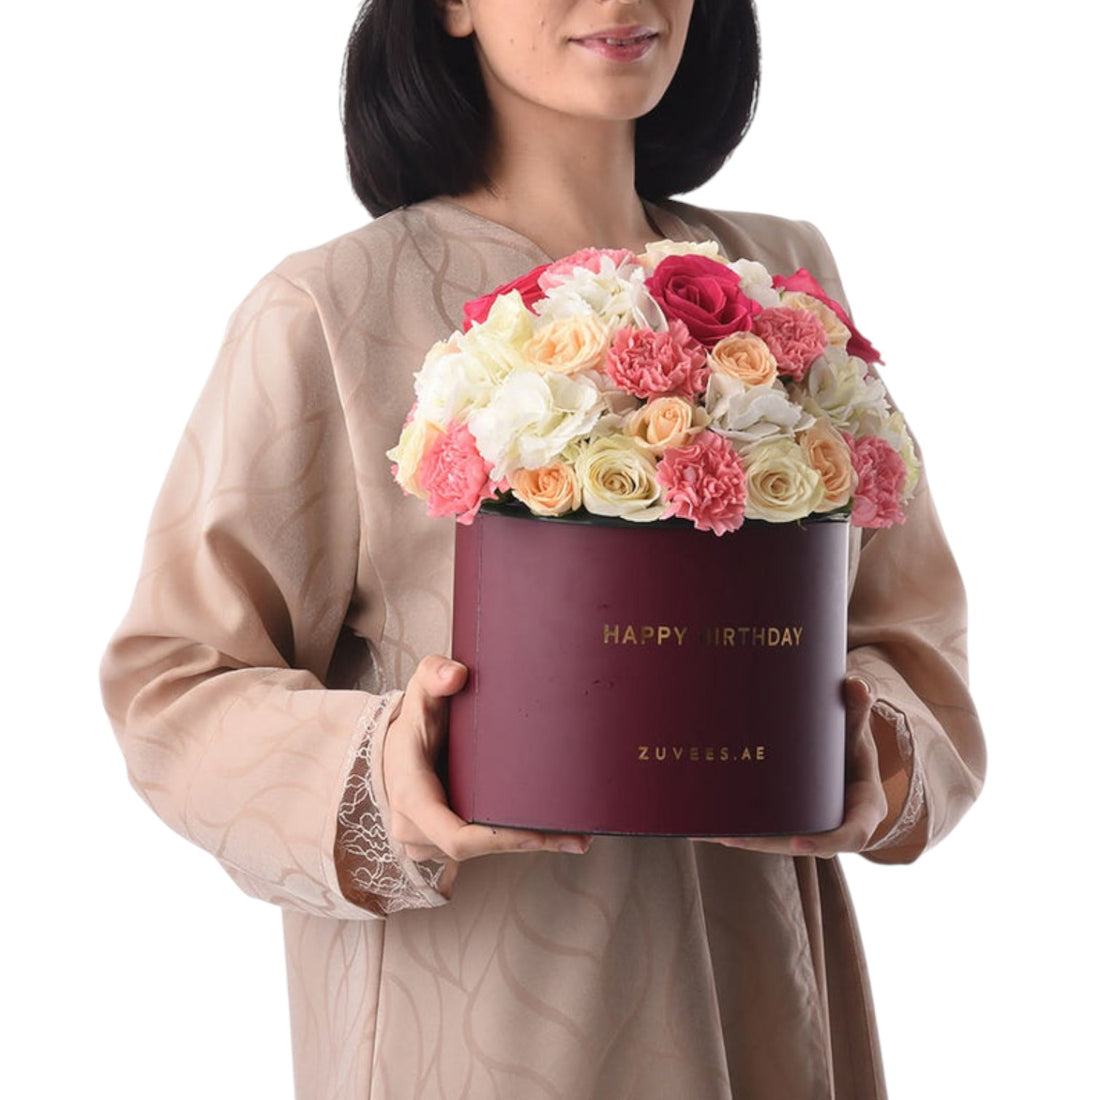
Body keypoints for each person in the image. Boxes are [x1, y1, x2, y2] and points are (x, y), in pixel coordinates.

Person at [100, 1, 986, 1097]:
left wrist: (867, 752)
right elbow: (173, 683)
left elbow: (907, 631)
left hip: (752, 987)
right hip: (487, 1014)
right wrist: (386, 761)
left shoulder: (778, 279)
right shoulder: (331, 306)